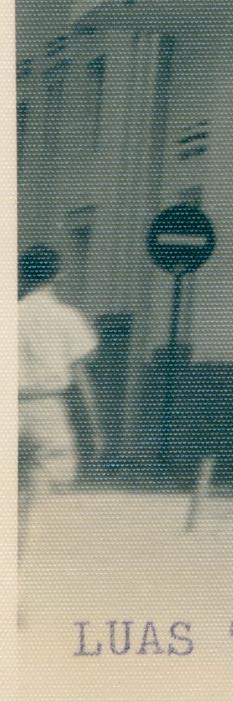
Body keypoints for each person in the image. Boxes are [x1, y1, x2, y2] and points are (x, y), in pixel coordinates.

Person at [19, 243, 104, 567]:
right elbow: (81, 378)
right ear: (59, 275)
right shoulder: (68, 318)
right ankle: (27, 567)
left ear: (22, 275)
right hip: (47, 410)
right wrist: (95, 429)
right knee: (44, 494)